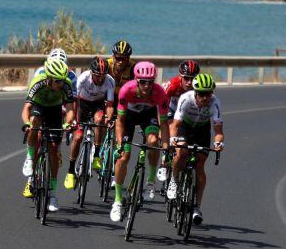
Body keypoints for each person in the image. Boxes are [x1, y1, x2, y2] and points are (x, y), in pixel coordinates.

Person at [110, 61, 170, 222]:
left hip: (147, 116)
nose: (146, 86)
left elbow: (164, 124)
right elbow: (120, 121)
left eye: (150, 82)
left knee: (152, 141)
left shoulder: (159, 93)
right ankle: (117, 201)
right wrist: (119, 144)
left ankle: (150, 182)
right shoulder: (126, 90)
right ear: (136, 80)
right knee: (123, 157)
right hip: (128, 118)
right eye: (143, 82)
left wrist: (166, 149)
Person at [166, 73, 224, 226]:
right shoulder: (186, 98)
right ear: (196, 92)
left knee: (200, 165)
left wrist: (218, 144)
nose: (205, 98)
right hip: (185, 126)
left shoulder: (215, 103)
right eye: (202, 94)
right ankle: (174, 180)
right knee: (182, 153)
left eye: (208, 94)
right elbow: (175, 125)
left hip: (202, 130)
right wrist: (173, 140)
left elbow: (218, 132)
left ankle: (196, 207)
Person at [21, 58, 76, 212]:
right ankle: (30, 158)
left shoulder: (66, 84)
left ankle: (52, 194)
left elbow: (70, 108)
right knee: (35, 124)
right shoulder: (38, 83)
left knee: (53, 149)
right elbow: (26, 108)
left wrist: (68, 123)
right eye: (57, 81)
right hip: (38, 107)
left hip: (54, 110)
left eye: (62, 81)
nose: (61, 84)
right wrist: (27, 123)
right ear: (49, 79)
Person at [64, 56, 115, 190]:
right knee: (79, 136)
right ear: (92, 73)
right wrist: (74, 119)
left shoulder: (110, 81)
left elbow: (109, 105)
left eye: (103, 76)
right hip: (82, 104)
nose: (100, 79)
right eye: (97, 76)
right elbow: (74, 100)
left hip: (98, 104)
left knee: (100, 120)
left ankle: (97, 155)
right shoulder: (83, 78)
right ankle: (70, 171)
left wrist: (109, 119)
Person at [159, 60, 200, 181]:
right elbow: (161, 107)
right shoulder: (172, 85)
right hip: (171, 111)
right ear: (180, 76)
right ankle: (164, 160)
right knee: (172, 135)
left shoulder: (198, 87)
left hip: (188, 115)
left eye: (192, 79)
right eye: (186, 78)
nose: (189, 82)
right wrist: (162, 128)